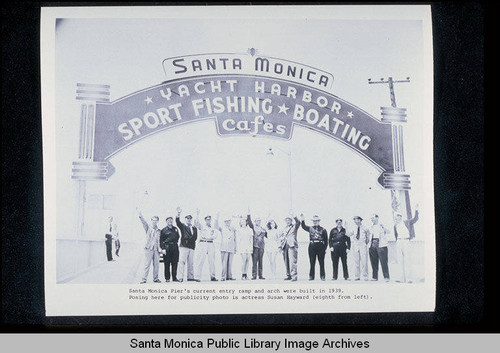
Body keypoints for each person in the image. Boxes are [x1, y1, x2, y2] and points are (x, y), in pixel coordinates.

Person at [394, 205, 420, 283]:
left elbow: (415, 219)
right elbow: (396, 235)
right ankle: (401, 278)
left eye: (398, 216)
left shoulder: (407, 222)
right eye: (396, 216)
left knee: (408, 260)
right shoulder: (395, 226)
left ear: (401, 216)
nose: (397, 217)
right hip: (399, 242)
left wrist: (416, 210)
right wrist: (397, 242)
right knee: (400, 260)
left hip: (406, 241)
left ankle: (409, 278)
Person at [300, 214, 328, 281]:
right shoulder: (310, 228)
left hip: (320, 246)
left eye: (316, 221)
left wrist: (325, 248)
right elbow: (303, 226)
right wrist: (302, 219)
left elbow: (326, 240)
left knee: (321, 262)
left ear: (319, 221)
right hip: (312, 246)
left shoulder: (323, 229)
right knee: (312, 262)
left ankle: (322, 276)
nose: (315, 222)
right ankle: (311, 276)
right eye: (314, 221)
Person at [137, 209, 162, 284]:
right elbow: (143, 222)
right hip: (148, 249)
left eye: (156, 220)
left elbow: (160, 240)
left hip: (156, 249)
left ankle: (155, 278)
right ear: (151, 220)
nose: (154, 221)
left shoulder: (159, 230)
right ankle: (144, 279)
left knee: (156, 265)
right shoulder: (148, 228)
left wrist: (160, 249)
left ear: (158, 221)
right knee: (147, 264)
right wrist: (140, 215)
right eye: (153, 220)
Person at [194, 210, 219, 281]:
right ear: (205, 220)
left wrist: (210, 237)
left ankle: (212, 276)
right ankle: (197, 277)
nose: (208, 221)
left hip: (211, 243)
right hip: (203, 243)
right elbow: (196, 224)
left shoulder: (212, 228)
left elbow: (215, 235)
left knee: (212, 261)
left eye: (209, 219)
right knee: (201, 260)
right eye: (207, 219)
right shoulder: (202, 226)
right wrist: (197, 214)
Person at [175, 207, 198, 282]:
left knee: (191, 263)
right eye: (187, 218)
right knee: (182, 261)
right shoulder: (183, 226)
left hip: (191, 247)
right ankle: (180, 277)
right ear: (185, 219)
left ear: (191, 219)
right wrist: (178, 213)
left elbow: (195, 237)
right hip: (184, 246)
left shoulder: (194, 228)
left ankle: (190, 277)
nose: (189, 219)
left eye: (190, 218)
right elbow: (178, 222)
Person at [368, 214, 390, 282]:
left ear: (377, 218)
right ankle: (375, 277)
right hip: (372, 244)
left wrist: (383, 226)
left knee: (384, 262)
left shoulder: (382, 225)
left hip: (381, 244)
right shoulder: (370, 227)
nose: (372, 219)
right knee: (373, 261)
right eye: (371, 218)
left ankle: (386, 277)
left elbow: (389, 232)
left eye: (373, 218)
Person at [348, 216, 370, 281]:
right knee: (356, 261)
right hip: (356, 245)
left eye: (356, 220)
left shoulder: (365, 228)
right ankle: (357, 276)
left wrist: (366, 243)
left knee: (364, 261)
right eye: (354, 220)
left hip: (362, 244)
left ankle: (365, 276)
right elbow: (349, 234)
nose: (355, 221)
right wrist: (346, 227)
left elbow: (368, 236)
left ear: (360, 220)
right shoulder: (354, 228)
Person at [280, 212, 301, 281]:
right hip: (285, 245)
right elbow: (282, 237)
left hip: (292, 245)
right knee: (286, 261)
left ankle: (294, 276)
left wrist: (294, 216)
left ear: (291, 220)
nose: (288, 221)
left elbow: (298, 222)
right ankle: (288, 275)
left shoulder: (294, 226)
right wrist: (280, 246)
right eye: (286, 220)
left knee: (293, 261)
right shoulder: (284, 228)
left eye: (289, 220)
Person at [216, 215, 237, 281]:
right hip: (224, 248)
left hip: (231, 248)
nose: (227, 222)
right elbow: (216, 227)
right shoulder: (222, 228)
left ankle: (229, 276)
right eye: (226, 221)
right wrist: (216, 218)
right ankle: (223, 276)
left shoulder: (233, 229)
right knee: (224, 263)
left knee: (230, 263)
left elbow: (235, 239)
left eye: (228, 221)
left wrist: (235, 247)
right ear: (224, 222)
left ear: (230, 221)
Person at [247, 210, 267, 280]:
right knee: (254, 261)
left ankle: (260, 275)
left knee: (261, 261)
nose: (258, 222)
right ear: (255, 221)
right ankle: (254, 275)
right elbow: (249, 222)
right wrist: (248, 214)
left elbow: (268, 236)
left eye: (259, 221)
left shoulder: (263, 229)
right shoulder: (253, 227)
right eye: (257, 221)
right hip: (255, 247)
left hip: (261, 247)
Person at [160, 216, 180, 282]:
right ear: (166, 222)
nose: (170, 222)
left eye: (171, 220)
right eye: (168, 220)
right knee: (167, 263)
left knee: (175, 263)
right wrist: (163, 248)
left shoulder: (175, 229)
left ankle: (174, 278)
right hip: (167, 247)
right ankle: (167, 278)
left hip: (175, 247)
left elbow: (178, 237)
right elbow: (161, 240)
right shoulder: (163, 230)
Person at [236, 215, 253, 280]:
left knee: (248, 260)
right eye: (241, 222)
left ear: (246, 222)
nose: (243, 223)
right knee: (244, 260)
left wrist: (251, 248)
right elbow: (238, 240)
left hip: (248, 245)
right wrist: (239, 247)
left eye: (244, 221)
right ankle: (243, 274)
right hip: (242, 245)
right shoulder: (239, 230)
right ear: (240, 223)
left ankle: (246, 274)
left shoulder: (250, 230)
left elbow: (251, 239)